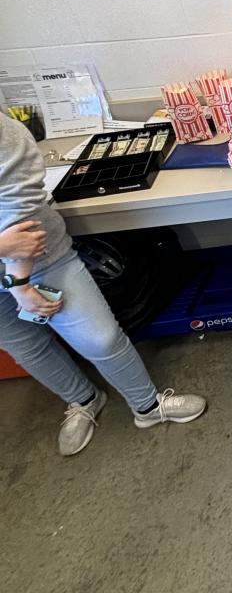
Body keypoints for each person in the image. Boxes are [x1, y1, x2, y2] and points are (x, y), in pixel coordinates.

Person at [0, 111, 206, 456]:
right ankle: (83, 399)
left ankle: (147, 406)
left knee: (100, 338)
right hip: (14, 260)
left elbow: (19, 211)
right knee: (25, 347)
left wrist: (17, 280)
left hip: (39, 256)